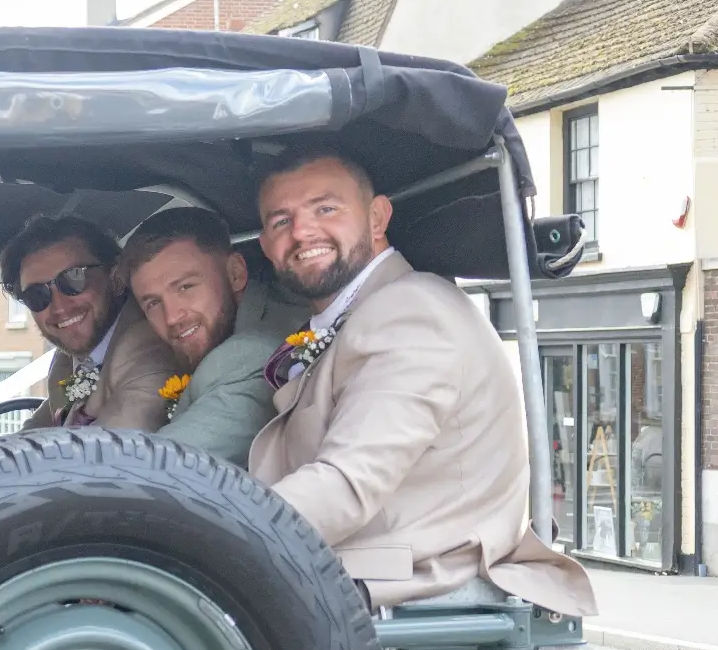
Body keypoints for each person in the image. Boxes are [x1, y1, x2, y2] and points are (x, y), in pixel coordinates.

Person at [247, 144, 596, 614]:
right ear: (267, 246)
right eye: (280, 221)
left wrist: (211, 532)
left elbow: (346, 484)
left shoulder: (409, 312)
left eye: (325, 208)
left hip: (405, 584)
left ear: (376, 218)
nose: (303, 231)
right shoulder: (366, 311)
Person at [122, 205, 306, 466]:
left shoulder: (253, 353)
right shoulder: (248, 321)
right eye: (153, 303)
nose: (172, 316)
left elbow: (153, 470)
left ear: (235, 274)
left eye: (186, 287)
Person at [2, 213, 177, 430]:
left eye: (73, 279)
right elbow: (33, 437)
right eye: (37, 295)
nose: (60, 307)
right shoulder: (66, 362)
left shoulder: (147, 347)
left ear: (116, 277)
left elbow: (104, 456)